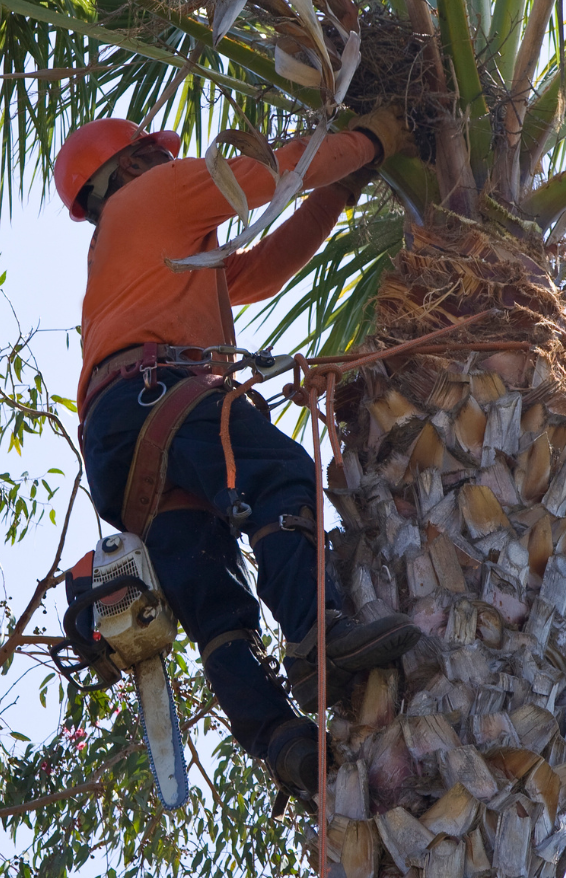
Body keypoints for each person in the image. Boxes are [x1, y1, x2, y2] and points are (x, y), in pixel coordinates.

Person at [58, 111, 419, 802]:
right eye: (156, 155)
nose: (171, 160)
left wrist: (342, 192)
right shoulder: (155, 196)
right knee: (280, 477)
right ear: (132, 165)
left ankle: (280, 741)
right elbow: (269, 173)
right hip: (155, 395)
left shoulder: (135, 246)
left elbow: (260, 272)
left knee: (217, 606)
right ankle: (318, 634)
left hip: (118, 443)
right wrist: (377, 137)